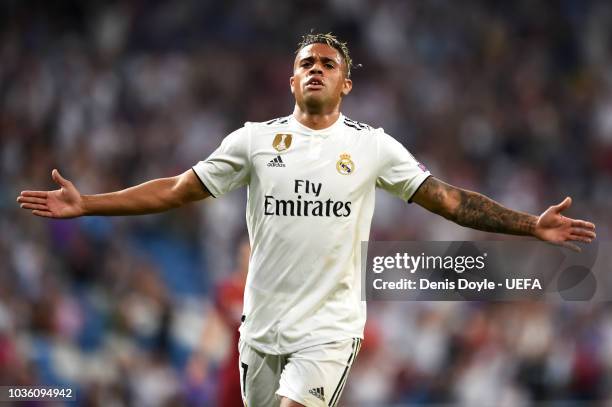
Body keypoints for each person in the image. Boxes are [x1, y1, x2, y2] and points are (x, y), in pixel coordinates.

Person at [17, 33, 596, 407]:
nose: (316, 69)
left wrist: (530, 225)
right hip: (261, 329)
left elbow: (446, 199)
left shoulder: (374, 147)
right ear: (292, 80)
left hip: (329, 328)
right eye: (305, 63)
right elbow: (175, 190)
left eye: (328, 63)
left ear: (347, 82)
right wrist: (87, 203)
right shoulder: (251, 142)